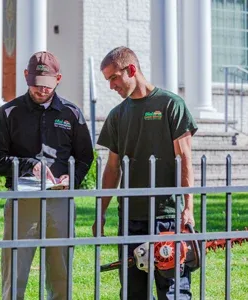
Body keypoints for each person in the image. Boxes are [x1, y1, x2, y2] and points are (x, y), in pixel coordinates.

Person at [92, 46, 197, 299]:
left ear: (131, 69)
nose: (111, 86)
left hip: (167, 215)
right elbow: (112, 168)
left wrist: (188, 207)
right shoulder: (117, 115)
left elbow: (185, 159)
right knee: (131, 292)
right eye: (107, 80)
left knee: (173, 292)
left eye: (114, 78)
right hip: (130, 217)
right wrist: (101, 211)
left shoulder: (171, 104)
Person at [0, 51, 94, 300]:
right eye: (36, 85)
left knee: (61, 271)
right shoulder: (9, 112)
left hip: (60, 199)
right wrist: (29, 165)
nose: (42, 90)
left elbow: (85, 157)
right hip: (22, 199)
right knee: (15, 269)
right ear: (26, 76)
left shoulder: (72, 113)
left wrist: (73, 178)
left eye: (47, 85)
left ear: (58, 79)